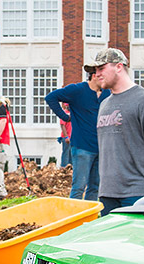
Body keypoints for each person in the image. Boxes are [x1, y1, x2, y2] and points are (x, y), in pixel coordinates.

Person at [87, 48, 144, 215]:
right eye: (95, 71)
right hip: (107, 192)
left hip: (137, 191)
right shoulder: (104, 104)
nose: (97, 74)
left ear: (119, 67)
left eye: (101, 68)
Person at [46, 70, 111, 201]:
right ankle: (74, 217)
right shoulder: (77, 90)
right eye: (102, 78)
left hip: (101, 147)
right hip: (82, 147)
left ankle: (89, 218)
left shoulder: (107, 93)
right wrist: (65, 117)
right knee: (79, 186)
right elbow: (50, 98)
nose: (105, 81)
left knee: (95, 186)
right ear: (94, 76)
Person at [59, 103, 72, 167]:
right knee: (66, 154)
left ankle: (70, 168)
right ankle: (64, 168)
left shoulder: (72, 113)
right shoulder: (65, 113)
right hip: (66, 137)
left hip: (72, 137)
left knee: (71, 154)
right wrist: (66, 136)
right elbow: (62, 125)